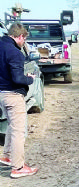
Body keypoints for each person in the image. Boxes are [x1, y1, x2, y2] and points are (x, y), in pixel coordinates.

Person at [0, 22, 38, 178]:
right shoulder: (14, 53)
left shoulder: (1, 46)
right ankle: (18, 167)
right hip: (13, 95)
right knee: (18, 131)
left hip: (2, 94)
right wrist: (29, 79)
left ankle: (7, 156)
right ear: (20, 36)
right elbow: (17, 78)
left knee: (11, 126)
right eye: (24, 40)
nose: (24, 43)